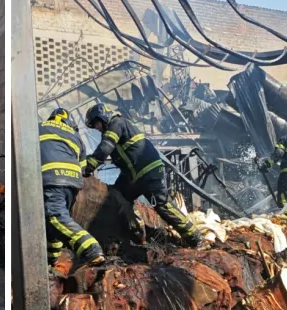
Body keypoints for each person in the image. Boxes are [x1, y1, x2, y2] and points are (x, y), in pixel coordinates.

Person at [83, 103, 203, 247]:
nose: (97, 128)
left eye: (96, 123)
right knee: (117, 197)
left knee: (162, 205)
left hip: (148, 172)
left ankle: (195, 238)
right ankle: (136, 234)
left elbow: (105, 148)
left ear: (103, 117)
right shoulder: (116, 127)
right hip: (133, 176)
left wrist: (88, 167)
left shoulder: (116, 123)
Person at [40, 107, 105, 266]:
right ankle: (51, 261)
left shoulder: (38, 127)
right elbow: (83, 167)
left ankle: (91, 249)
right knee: (54, 226)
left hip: (51, 178)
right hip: (72, 184)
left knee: (54, 216)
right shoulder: (76, 136)